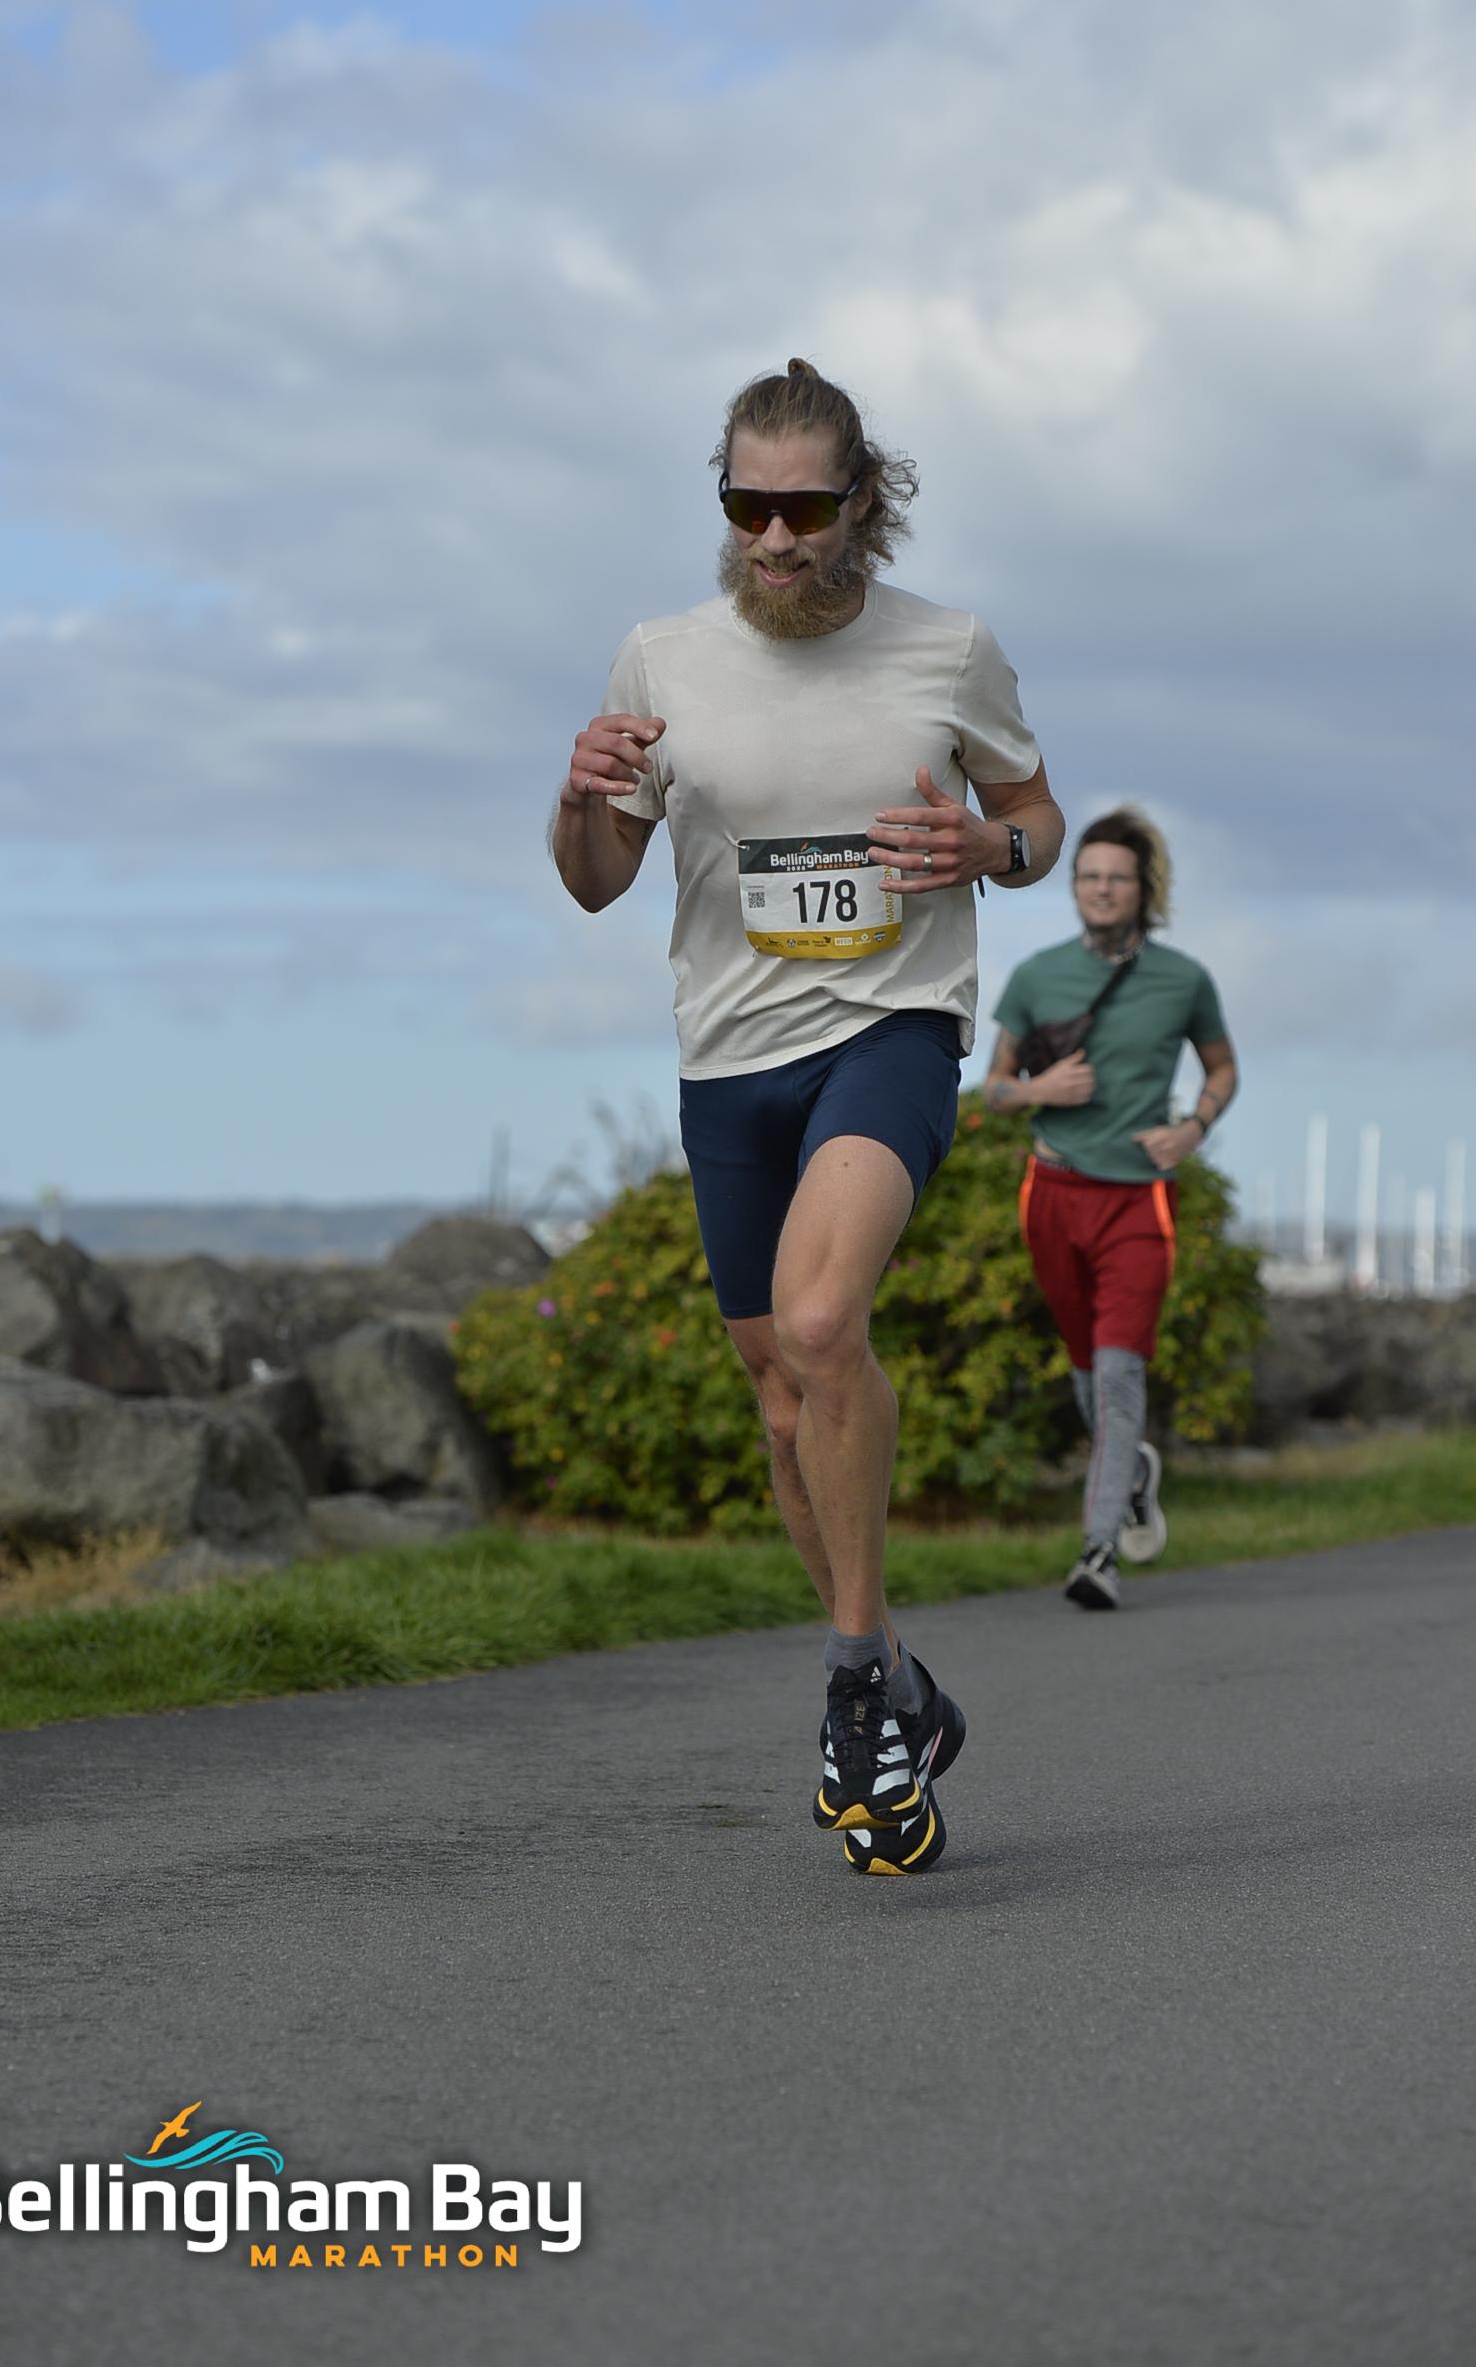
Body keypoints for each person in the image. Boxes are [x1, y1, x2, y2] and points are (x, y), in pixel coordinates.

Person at [551, 357, 1065, 1873]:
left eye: (804, 508)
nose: (774, 538)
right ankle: (897, 1678)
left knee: (823, 1322)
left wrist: (986, 850)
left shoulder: (949, 648)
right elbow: (595, 882)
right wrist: (575, 797)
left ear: (862, 502)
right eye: (747, 507)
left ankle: (849, 1692)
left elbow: (1035, 819)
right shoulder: (659, 658)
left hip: (890, 1030)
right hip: (730, 1059)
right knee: (781, 1400)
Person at [984, 809, 1238, 1609]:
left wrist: (1192, 1129)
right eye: (1089, 876)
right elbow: (994, 1090)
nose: (1101, 889)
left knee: (1121, 1370)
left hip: (1137, 1197)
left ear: (1143, 890)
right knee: (1087, 1371)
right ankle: (1131, 1476)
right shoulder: (1037, 976)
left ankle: (1098, 1554)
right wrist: (1041, 1090)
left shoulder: (1184, 981)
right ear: (1074, 887)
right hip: (1052, 1192)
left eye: (1117, 878)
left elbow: (1223, 1070)